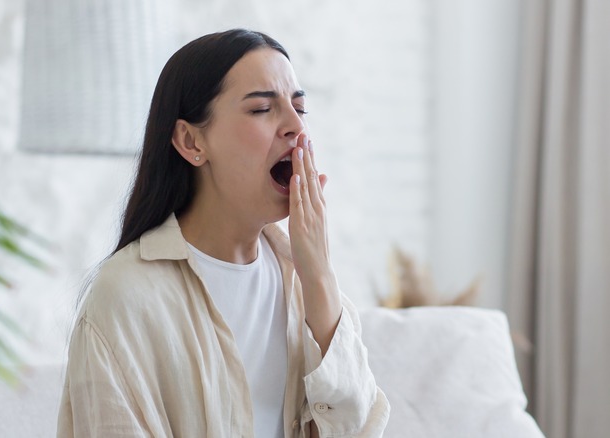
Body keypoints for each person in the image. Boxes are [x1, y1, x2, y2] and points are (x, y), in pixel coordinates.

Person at [57, 29, 390, 437]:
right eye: (262, 109)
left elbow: (360, 429)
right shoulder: (126, 296)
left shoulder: (303, 284)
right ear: (191, 140)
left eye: (299, 108)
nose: (294, 127)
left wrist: (319, 276)